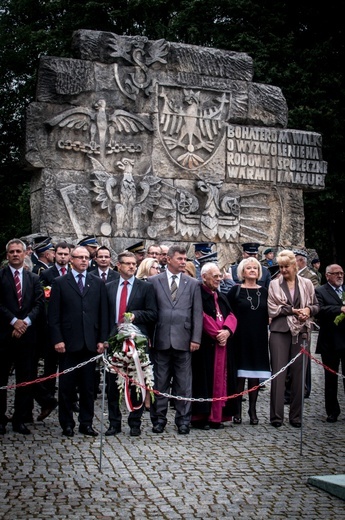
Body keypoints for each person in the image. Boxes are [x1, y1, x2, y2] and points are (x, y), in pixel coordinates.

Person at [48, 246, 108, 437]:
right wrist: (57, 339)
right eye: (79, 257)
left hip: (90, 343)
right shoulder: (60, 282)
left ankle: (86, 422)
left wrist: (102, 340)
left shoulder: (97, 282)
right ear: (71, 259)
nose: (84, 261)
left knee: (88, 388)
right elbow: (54, 315)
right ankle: (67, 423)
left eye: (86, 258)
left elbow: (103, 314)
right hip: (68, 343)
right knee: (66, 387)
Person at [149, 245, 203, 434]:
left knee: (183, 383)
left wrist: (196, 338)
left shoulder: (193, 283)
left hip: (184, 339)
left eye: (185, 259)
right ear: (169, 259)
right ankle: (159, 420)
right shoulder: (153, 281)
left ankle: (183, 420)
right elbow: (151, 312)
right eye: (180, 259)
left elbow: (197, 313)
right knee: (160, 381)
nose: (183, 262)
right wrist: (149, 337)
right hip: (160, 339)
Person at [105, 251, 157, 436]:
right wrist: (105, 339)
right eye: (127, 263)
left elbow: (153, 314)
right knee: (113, 384)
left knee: (136, 382)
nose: (131, 267)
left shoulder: (145, 287)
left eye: (134, 264)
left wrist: (136, 315)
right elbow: (104, 315)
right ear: (118, 266)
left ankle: (135, 422)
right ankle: (114, 423)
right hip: (114, 341)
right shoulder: (109, 287)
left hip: (137, 342)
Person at [267, 250, 319, 428]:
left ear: (294, 266)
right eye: (280, 267)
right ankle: (276, 417)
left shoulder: (306, 284)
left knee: (299, 374)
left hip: (302, 331)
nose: (283, 270)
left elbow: (315, 305)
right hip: (280, 331)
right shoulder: (274, 284)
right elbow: (272, 308)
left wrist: (308, 311)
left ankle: (296, 416)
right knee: (279, 373)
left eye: (286, 266)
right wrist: (293, 311)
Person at [0, 239, 45, 435]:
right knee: (1, 379)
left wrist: (25, 322)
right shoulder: (0, 277)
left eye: (19, 251)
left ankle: (20, 418)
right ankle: (0, 418)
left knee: (25, 380)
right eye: (12, 252)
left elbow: (39, 303)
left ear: (25, 253)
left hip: (27, 337)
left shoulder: (33, 278)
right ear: (7, 255)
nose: (15, 254)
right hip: (4, 335)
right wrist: (13, 321)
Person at [191, 262, 237, 430]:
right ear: (204, 277)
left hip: (223, 345)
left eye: (220, 276)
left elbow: (231, 315)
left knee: (223, 380)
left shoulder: (221, 295)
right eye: (215, 276)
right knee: (204, 380)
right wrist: (218, 334)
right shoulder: (198, 295)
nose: (219, 279)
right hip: (206, 347)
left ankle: (218, 416)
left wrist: (227, 331)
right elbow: (201, 317)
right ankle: (202, 416)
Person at [227, 257, 271, 425]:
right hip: (239, 338)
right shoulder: (235, 291)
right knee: (240, 375)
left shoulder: (265, 291)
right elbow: (228, 313)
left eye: (255, 268)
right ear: (242, 272)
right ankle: (237, 411)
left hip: (258, 338)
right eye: (249, 268)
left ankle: (252, 410)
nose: (252, 270)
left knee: (255, 375)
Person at [315, 264, 345, 422]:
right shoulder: (320, 291)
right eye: (336, 274)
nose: (340, 276)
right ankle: (332, 411)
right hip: (330, 341)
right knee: (331, 378)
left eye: (341, 273)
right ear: (327, 276)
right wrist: (340, 309)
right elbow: (320, 311)